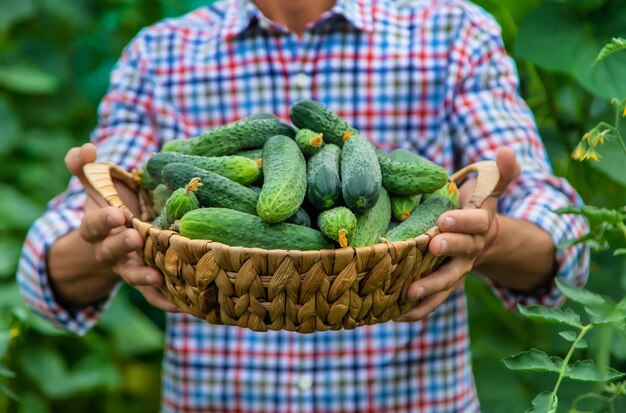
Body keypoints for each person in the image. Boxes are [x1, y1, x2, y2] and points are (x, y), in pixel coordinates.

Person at [17, 0, 589, 411]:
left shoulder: (453, 31)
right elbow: (47, 272)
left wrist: (488, 236)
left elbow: (562, 242)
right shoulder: (161, 54)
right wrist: (104, 240)